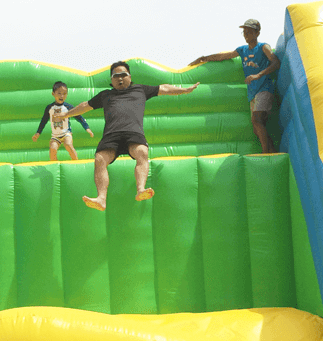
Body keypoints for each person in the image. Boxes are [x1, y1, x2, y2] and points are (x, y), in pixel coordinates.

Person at [64, 61, 200, 211]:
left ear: (130, 76)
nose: (120, 78)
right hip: (111, 135)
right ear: (111, 79)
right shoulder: (105, 95)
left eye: (123, 75)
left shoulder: (140, 89)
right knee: (100, 159)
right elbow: (85, 105)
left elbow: (164, 88)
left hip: (133, 133)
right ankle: (101, 198)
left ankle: (141, 189)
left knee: (142, 152)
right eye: (116, 76)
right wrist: (66, 114)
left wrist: (184, 90)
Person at [190, 19, 280, 153]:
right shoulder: (242, 50)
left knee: (257, 120)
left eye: (249, 31)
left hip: (264, 88)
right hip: (253, 92)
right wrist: (204, 58)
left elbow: (276, 63)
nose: (246, 34)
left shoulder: (263, 47)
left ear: (257, 33)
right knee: (257, 127)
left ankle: (265, 152)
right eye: (244, 32)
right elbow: (225, 56)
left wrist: (258, 75)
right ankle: (272, 151)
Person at [32, 81, 94, 160]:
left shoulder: (68, 107)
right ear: (53, 94)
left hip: (66, 133)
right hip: (55, 136)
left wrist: (87, 128)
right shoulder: (50, 108)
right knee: (52, 149)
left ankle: (76, 162)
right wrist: (38, 133)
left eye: (64, 94)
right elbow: (43, 121)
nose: (62, 96)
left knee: (68, 144)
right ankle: (55, 165)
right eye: (59, 93)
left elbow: (78, 117)